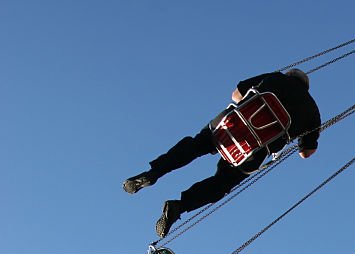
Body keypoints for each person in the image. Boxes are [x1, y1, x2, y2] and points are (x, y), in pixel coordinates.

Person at [122, 68, 321, 238]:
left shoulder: (276, 77)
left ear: (290, 75)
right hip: (252, 151)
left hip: (228, 126)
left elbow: (236, 94)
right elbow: (306, 152)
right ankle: (179, 207)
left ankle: (153, 173)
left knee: (194, 146)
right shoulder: (313, 112)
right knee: (221, 183)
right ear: (307, 88)